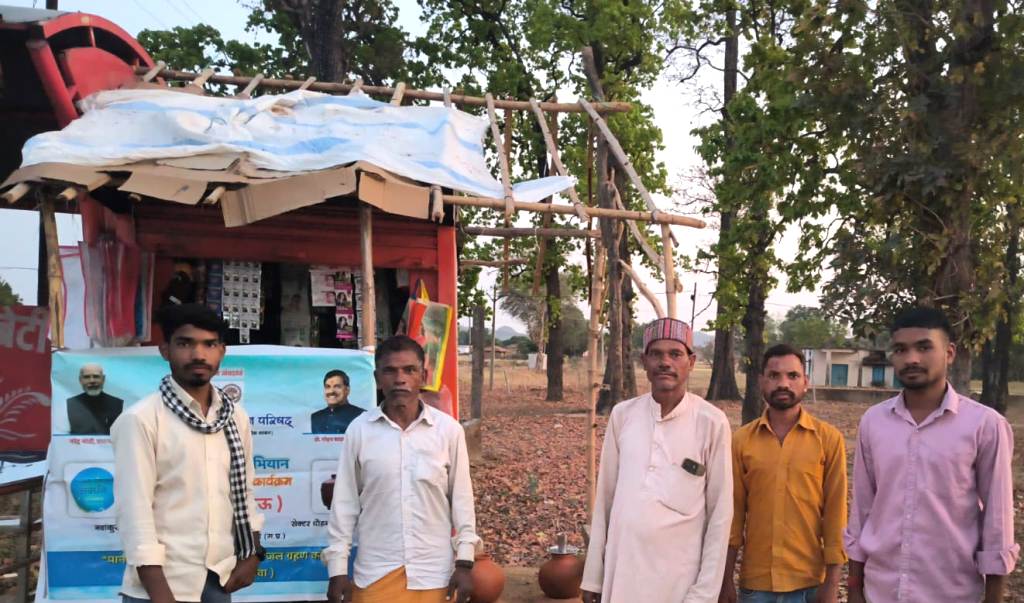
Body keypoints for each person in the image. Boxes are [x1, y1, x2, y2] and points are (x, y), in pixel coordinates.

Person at [844, 307, 1019, 603]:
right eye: (901, 349)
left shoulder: (985, 425)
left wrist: (994, 596)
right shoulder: (874, 421)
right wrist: (854, 587)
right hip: (880, 591)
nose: (912, 358)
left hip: (953, 592)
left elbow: (997, 519)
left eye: (924, 347)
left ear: (949, 353)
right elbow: (862, 507)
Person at [111, 304, 265, 603]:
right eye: (185, 343)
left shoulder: (235, 418)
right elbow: (135, 512)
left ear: (222, 351)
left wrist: (253, 554)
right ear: (165, 350)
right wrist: (159, 593)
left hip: (219, 579)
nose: (198, 355)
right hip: (162, 587)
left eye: (209, 344)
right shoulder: (141, 419)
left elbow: (244, 491)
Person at [582, 318, 733, 602]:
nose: (665, 362)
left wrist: (704, 593)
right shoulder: (623, 415)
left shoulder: (711, 422)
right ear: (644, 362)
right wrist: (593, 576)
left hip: (679, 584)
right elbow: (605, 499)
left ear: (690, 361)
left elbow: (720, 516)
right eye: (657, 354)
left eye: (675, 354)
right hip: (622, 575)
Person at [323, 335, 479, 603]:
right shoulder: (359, 431)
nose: (400, 379)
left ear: (423, 375)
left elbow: (462, 501)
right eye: (390, 370)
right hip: (375, 574)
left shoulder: (448, 431)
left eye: (409, 370)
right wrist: (337, 570)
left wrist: (464, 562)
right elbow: (344, 505)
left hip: (433, 575)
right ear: (377, 378)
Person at [720, 344, 847, 603]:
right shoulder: (741, 441)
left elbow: (835, 516)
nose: (783, 384)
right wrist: (724, 583)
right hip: (756, 587)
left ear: (805, 382)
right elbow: (731, 518)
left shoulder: (828, 440)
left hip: (810, 583)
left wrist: (832, 585)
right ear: (761, 381)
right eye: (774, 376)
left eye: (793, 376)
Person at [66, 363, 123, 434]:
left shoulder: (116, 404)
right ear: (80, 380)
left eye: (96, 376)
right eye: (86, 377)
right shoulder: (69, 404)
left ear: (103, 379)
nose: (92, 381)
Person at [311, 370, 365, 434]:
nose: (331, 391)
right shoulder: (316, 417)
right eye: (328, 387)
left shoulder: (362, 415)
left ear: (347, 390)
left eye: (337, 386)